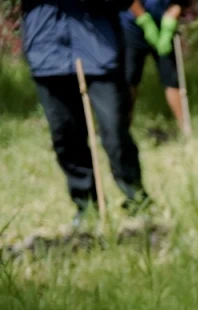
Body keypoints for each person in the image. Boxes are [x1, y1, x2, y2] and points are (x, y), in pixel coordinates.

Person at [19, 0, 150, 225]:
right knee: (65, 136)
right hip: (47, 52)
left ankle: (137, 199)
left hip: (99, 51)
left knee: (115, 133)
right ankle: (86, 206)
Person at [121, 0, 185, 129]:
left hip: (163, 27)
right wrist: (144, 20)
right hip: (133, 28)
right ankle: (124, 129)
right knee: (130, 79)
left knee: (172, 79)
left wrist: (171, 19)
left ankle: (185, 128)